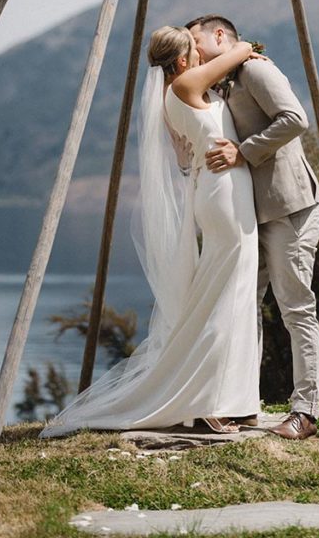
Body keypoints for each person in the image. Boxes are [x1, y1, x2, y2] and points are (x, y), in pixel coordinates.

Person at [41, 26, 261, 436]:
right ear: (180, 62)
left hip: (224, 191)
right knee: (225, 296)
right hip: (224, 195)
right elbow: (239, 52)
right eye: (194, 49)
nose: (201, 53)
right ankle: (207, 401)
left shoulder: (177, 92)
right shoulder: (183, 88)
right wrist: (249, 48)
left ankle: (233, 398)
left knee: (232, 292)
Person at [187, 14, 319, 440]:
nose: (192, 51)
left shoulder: (256, 69)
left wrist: (243, 153)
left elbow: (295, 118)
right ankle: (245, 404)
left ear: (220, 36)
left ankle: (306, 412)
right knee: (245, 306)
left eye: (196, 41)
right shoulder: (222, 79)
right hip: (250, 213)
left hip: (289, 206)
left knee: (295, 307)